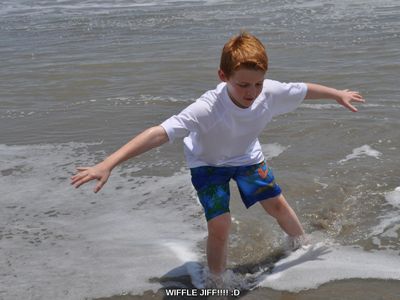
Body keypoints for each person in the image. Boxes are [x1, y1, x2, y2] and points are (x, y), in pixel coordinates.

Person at [71, 32, 364, 288]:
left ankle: (301, 245)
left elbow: (302, 89)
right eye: (243, 85)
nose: (252, 93)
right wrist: (108, 163)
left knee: (276, 204)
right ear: (223, 76)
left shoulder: (269, 93)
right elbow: (159, 133)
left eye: (257, 84)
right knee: (220, 224)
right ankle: (216, 279)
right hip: (207, 165)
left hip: (247, 157)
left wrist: (336, 94)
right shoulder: (207, 108)